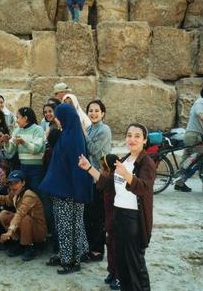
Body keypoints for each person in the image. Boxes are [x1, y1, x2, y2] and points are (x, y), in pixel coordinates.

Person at [78, 123, 155, 291]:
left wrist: (127, 174)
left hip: (133, 220)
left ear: (144, 140)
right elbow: (109, 183)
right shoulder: (125, 159)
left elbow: (144, 187)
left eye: (137, 136)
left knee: (135, 265)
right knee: (122, 265)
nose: (132, 139)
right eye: (129, 135)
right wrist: (89, 168)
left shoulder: (146, 162)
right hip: (118, 216)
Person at [39, 103, 91, 274]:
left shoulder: (72, 138)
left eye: (59, 118)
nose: (58, 121)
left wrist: (79, 193)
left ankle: (71, 261)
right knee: (67, 225)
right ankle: (66, 255)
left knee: (67, 226)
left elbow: (78, 168)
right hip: (66, 189)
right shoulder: (69, 134)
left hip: (68, 192)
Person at [0, 170, 48, 261]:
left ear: (23, 183)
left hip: (38, 231)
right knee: (3, 214)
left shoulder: (29, 195)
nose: (13, 186)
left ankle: (29, 246)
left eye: (16, 182)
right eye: (11, 183)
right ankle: (19, 243)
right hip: (26, 226)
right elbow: (6, 200)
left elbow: (20, 213)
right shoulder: (15, 193)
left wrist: (9, 231)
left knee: (23, 218)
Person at [83, 99, 112, 263]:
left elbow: (93, 150)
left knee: (99, 216)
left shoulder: (104, 130)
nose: (93, 113)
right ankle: (90, 247)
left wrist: (84, 135)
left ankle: (98, 250)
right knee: (90, 214)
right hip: (90, 177)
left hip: (101, 178)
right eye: (91, 111)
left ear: (103, 113)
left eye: (96, 111)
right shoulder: (89, 128)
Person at [175, 86, 203, 192]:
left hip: (192, 135)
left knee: (187, 161)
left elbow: (201, 123)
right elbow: (202, 117)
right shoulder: (200, 103)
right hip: (194, 137)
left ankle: (179, 183)